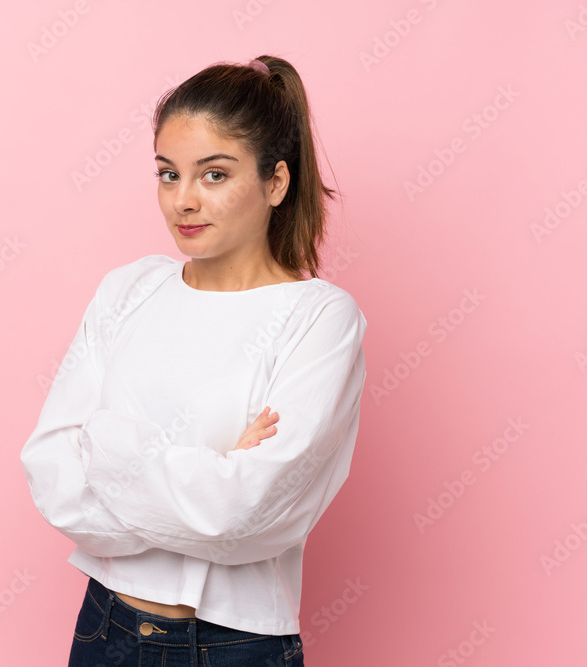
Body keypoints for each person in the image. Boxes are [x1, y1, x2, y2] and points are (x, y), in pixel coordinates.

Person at [20, 54, 367, 667]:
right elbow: (52, 478)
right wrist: (215, 468)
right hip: (104, 628)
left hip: (232, 646)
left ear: (276, 183)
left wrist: (105, 445)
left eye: (213, 174)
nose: (183, 200)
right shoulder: (128, 290)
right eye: (167, 174)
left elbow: (244, 515)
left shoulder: (319, 318)